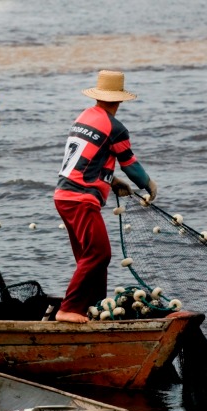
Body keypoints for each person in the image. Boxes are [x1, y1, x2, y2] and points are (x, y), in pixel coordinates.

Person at [54, 70, 158, 323]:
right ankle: (68, 310)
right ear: (119, 100)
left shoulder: (84, 117)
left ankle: (95, 306)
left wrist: (111, 182)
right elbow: (130, 164)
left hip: (64, 195)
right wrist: (148, 185)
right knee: (99, 255)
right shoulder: (115, 128)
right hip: (81, 200)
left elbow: (89, 158)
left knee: (89, 258)